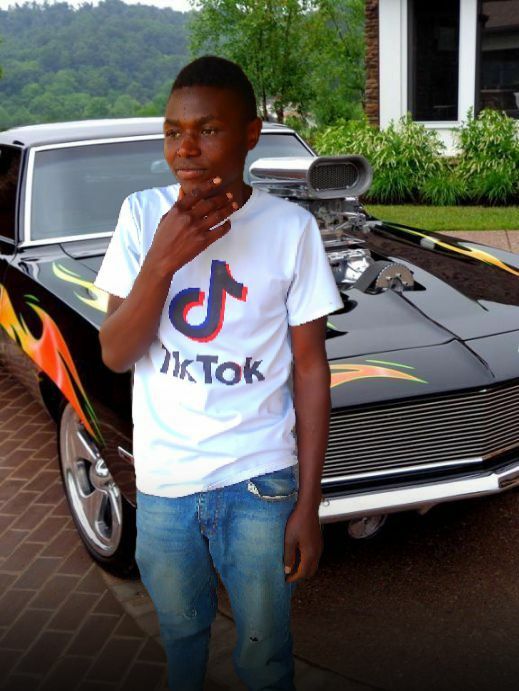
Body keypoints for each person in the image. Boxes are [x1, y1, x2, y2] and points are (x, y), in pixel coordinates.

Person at [94, 55, 343, 691]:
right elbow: (116, 353)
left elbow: (311, 370)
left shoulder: (290, 229)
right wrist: (162, 259)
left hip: (258, 480)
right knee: (181, 639)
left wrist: (309, 503)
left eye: (207, 130)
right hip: (165, 482)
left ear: (251, 134)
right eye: (173, 132)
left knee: (265, 655)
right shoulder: (141, 216)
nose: (186, 148)